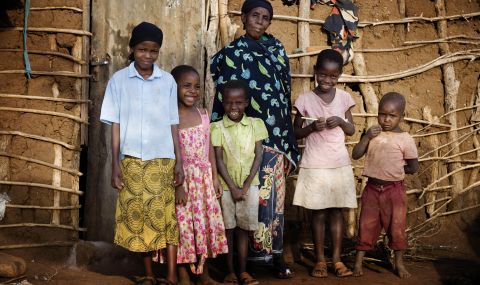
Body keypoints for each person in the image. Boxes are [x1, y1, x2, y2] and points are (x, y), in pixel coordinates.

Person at [210, 0, 299, 278]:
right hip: (240, 141)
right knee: (240, 199)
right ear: (244, 17)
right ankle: (240, 262)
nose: (260, 21)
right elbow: (221, 94)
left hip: (273, 140)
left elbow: (284, 97)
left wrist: (287, 145)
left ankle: (273, 257)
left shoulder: (277, 50)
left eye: (265, 17)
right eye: (255, 16)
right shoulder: (231, 54)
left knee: (272, 202)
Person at [100, 22, 183, 285]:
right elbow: (115, 126)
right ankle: (148, 274)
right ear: (132, 49)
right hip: (133, 160)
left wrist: (179, 162)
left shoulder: (167, 80)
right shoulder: (119, 81)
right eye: (142, 49)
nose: (147, 55)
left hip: (162, 159)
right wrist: (115, 164)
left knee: (166, 217)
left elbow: (173, 123)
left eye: (153, 51)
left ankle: (170, 277)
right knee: (139, 217)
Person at [155, 65, 228, 285]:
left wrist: (215, 178)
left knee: (202, 227)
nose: (192, 91)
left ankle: (203, 273)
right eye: (186, 86)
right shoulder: (170, 118)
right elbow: (169, 153)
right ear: (173, 87)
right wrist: (178, 185)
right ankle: (183, 273)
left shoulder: (203, 114)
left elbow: (209, 150)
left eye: (196, 87)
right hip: (182, 182)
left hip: (203, 181)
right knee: (183, 228)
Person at [292, 49, 357, 278]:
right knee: (318, 214)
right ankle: (320, 260)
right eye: (323, 75)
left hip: (338, 163)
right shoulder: (305, 100)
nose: (327, 80)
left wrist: (340, 120)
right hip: (315, 164)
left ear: (339, 75)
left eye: (333, 76)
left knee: (336, 212)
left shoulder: (344, 98)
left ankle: (337, 260)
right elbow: (295, 132)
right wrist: (311, 128)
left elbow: (351, 129)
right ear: (315, 72)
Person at [352, 92, 419, 279]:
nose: (386, 119)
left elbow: (414, 166)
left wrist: (395, 168)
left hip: (394, 191)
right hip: (371, 189)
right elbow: (356, 155)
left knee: (397, 227)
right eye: (382, 114)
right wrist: (365, 137)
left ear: (402, 116)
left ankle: (399, 264)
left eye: (392, 115)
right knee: (366, 225)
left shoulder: (405, 139)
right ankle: (358, 262)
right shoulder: (373, 134)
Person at [211, 80, 268, 285]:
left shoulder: (256, 124)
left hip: (249, 186)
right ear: (222, 102)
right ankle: (230, 272)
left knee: (243, 230)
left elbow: (259, 155)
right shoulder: (216, 127)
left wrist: (244, 186)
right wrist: (233, 187)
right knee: (228, 230)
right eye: (228, 103)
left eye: (238, 102)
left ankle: (243, 271)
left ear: (246, 103)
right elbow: (217, 159)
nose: (233, 107)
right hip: (226, 187)